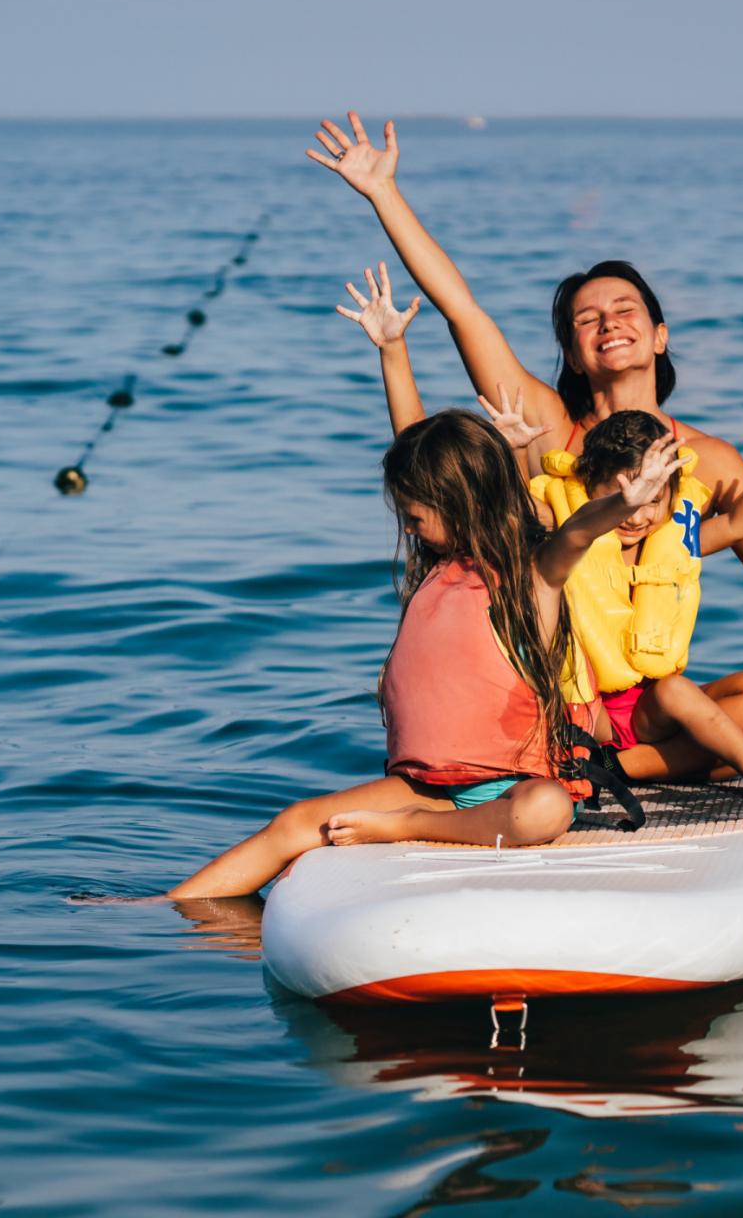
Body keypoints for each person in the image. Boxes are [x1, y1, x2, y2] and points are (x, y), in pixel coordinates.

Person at [306, 112, 743, 784]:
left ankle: (615, 768)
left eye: (626, 309)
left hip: (641, 707)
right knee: (733, 739)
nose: (609, 323)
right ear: (572, 352)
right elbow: (463, 310)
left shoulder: (709, 460)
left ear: (658, 334)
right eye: (586, 318)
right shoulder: (546, 426)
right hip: (548, 692)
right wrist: (383, 193)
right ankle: (643, 760)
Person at [167, 277, 689, 900]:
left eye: (415, 509)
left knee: (544, 810)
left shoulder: (534, 571)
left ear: (453, 500)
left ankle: (408, 830)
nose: (406, 518)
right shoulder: (440, 560)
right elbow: (412, 444)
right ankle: (158, 909)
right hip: (434, 781)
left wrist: (617, 505)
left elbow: (575, 536)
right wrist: (392, 351)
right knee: (294, 823)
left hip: (513, 790)